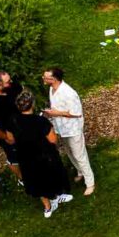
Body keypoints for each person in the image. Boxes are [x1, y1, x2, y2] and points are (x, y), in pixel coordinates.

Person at [10, 90, 73, 218]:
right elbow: (53, 140)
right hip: (43, 155)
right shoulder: (40, 121)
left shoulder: (14, 121)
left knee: (35, 180)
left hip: (26, 156)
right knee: (52, 174)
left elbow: (10, 139)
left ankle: (47, 207)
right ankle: (57, 195)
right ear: (32, 104)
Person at [42, 67, 94, 196]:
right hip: (61, 128)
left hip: (72, 129)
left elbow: (76, 113)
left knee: (79, 155)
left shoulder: (69, 93)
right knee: (69, 152)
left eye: (45, 77)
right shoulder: (51, 89)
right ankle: (80, 171)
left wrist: (56, 113)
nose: (43, 79)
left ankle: (90, 182)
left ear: (53, 79)